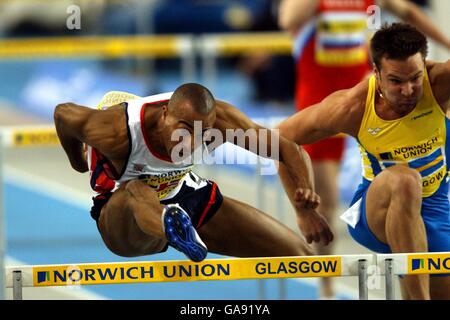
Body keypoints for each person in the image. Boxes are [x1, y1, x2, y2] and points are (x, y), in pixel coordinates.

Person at [278, 0, 450, 298]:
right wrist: (302, 211)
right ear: (376, 73)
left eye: (415, 79)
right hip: (376, 210)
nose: (408, 91)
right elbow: (279, 139)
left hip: (434, 207)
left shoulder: (441, 83)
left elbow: (407, 11)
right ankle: (327, 285)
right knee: (402, 181)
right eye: (396, 81)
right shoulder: (351, 106)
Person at [53, 83, 333, 263]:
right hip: (126, 218)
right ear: (164, 114)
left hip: (186, 198)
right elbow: (63, 114)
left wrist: (304, 202)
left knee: (300, 256)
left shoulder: (222, 121)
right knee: (139, 190)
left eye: (201, 131)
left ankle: (181, 226)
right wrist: (77, 162)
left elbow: (286, 148)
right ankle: (172, 227)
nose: (190, 139)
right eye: (183, 127)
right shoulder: (117, 130)